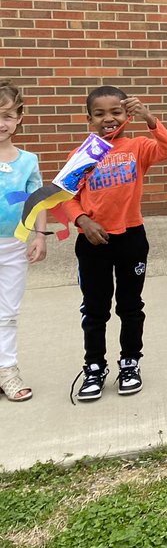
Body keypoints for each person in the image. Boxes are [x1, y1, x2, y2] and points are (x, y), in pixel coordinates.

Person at [64, 86, 167, 400]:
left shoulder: (138, 146)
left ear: (127, 114)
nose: (108, 119)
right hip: (92, 242)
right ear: (89, 120)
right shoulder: (82, 155)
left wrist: (149, 119)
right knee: (95, 308)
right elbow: (68, 198)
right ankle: (94, 367)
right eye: (99, 114)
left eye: (115, 112)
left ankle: (130, 362)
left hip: (130, 237)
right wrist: (83, 221)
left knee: (130, 306)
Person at [0, 81, 46, 402]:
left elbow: (38, 201)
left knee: (7, 312)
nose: (0, 124)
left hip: (14, 246)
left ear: (19, 117)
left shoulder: (28, 161)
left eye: (6, 115)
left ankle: (7, 370)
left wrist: (40, 235)